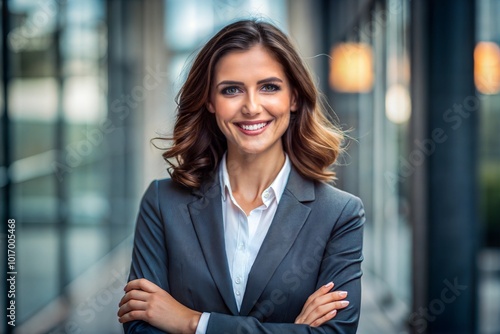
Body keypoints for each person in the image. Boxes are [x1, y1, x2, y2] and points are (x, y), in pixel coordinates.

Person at [117, 19, 364, 334]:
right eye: (231, 89)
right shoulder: (162, 202)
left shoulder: (339, 214)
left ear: (294, 98)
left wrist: (192, 322)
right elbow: (140, 328)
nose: (251, 106)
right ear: (210, 101)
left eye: (269, 87)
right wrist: (292, 329)